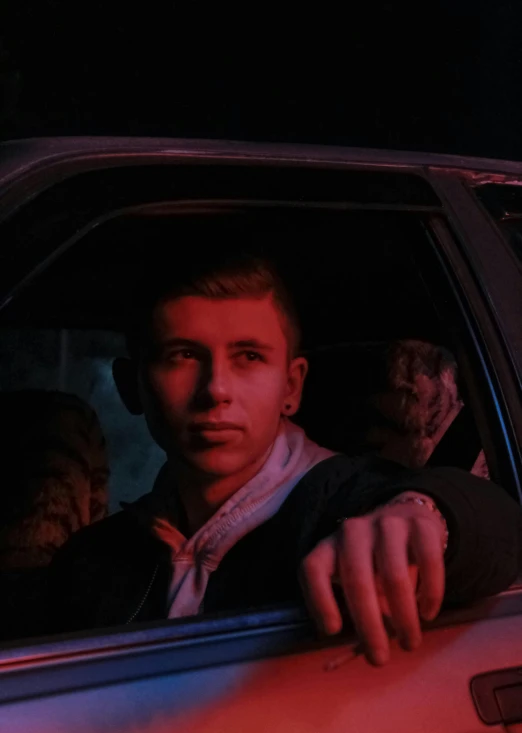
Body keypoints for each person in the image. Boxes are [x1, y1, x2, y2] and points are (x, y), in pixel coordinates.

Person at [45, 248, 521, 667]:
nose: (216, 389)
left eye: (248, 356)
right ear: (132, 386)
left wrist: (424, 513)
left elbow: (500, 525)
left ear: (291, 386)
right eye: (182, 355)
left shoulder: (338, 501)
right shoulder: (91, 562)